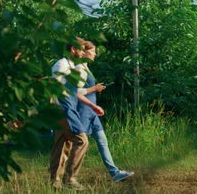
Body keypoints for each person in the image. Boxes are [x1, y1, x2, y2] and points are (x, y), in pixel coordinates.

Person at [49, 38, 105, 191]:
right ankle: (70, 179)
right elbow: (56, 89)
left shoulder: (73, 66)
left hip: (67, 108)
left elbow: (77, 92)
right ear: (73, 50)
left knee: (62, 144)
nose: (83, 51)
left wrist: (92, 105)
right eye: (81, 49)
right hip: (62, 109)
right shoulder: (61, 65)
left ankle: (55, 182)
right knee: (82, 141)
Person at [76, 40, 135, 182]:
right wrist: (94, 89)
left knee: (102, 141)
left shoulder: (86, 67)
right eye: (93, 51)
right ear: (83, 51)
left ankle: (115, 173)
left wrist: (96, 89)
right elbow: (76, 92)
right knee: (76, 145)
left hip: (92, 112)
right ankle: (66, 175)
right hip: (83, 112)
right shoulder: (78, 69)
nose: (95, 54)